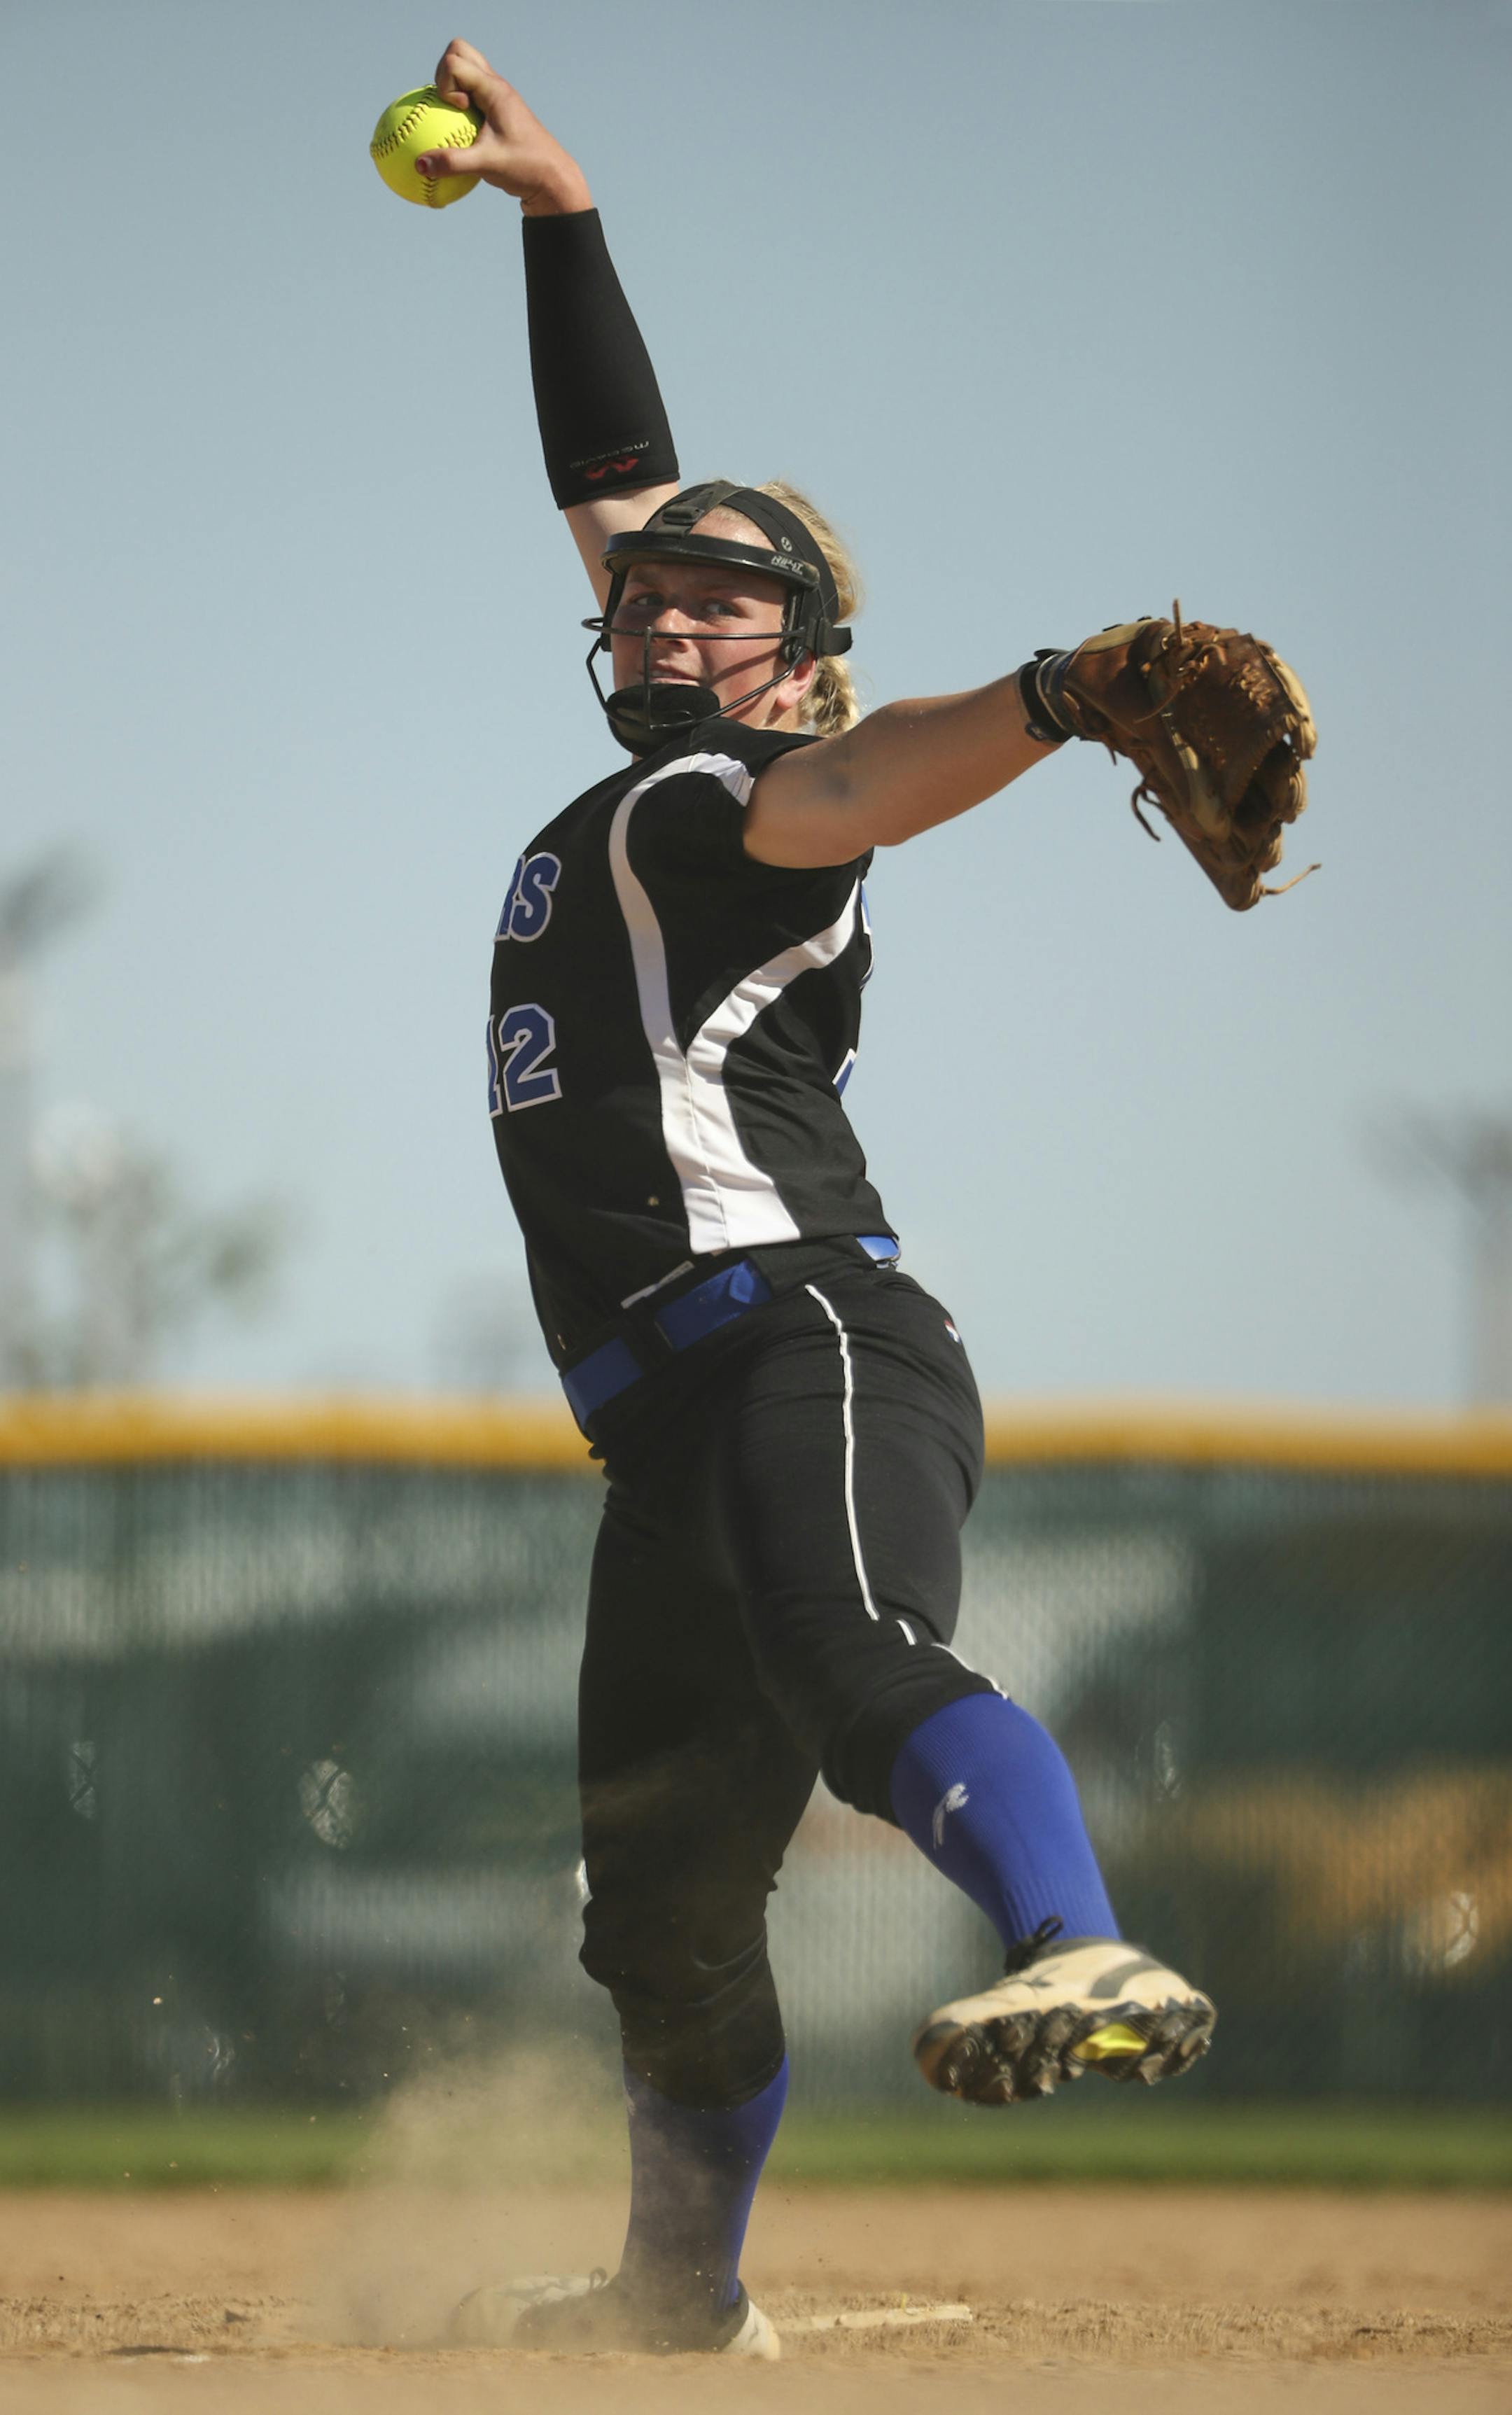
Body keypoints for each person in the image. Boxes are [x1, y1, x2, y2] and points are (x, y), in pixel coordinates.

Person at [419, 38, 1215, 2362]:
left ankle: (1081, 1937)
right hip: (659, 1427)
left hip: (809, 1340)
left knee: (862, 1675)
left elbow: (862, 772)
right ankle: (683, 2304)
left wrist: (1065, 692)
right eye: (645, 592)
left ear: (790, 655)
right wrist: (560, 216)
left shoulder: (734, 798)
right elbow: (617, 474)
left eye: (715, 602)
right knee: (661, 1908)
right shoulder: (670, 736)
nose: (663, 609)